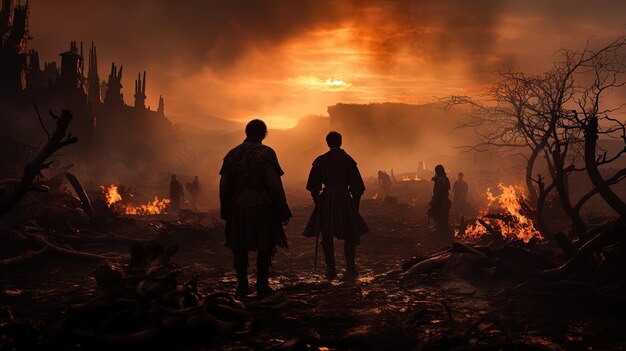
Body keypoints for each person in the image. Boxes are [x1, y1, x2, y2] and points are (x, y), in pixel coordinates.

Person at [219, 119, 291, 298]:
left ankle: (242, 286)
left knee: (239, 247)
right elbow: (275, 186)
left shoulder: (232, 154)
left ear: (246, 132)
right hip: (262, 207)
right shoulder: (267, 154)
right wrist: (282, 211)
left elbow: (224, 186)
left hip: (238, 207)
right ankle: (262, 285)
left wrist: (226, 211)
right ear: (264, 134)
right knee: (265, 245)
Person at [304, 131, 369, 280]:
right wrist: (355, 207)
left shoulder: (320, 161)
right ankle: (351, 268)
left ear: (328, 143)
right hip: (344, 198)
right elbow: (358, 188)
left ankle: (331, 269)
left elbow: (313, 186)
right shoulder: (348, 160)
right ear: (340, 142)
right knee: (349, 233)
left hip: (327, 199)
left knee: (327, 234)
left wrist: (318, 201)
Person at [427, 164, 451, 238]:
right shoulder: (445, 179)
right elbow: (448, 188)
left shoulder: (439, 181)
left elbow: (438, 193)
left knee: (438, 217)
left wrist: (433, 201)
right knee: (444, 218)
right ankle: (444, 232)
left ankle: (440, 234)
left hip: (440, 202)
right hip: (445, 201)